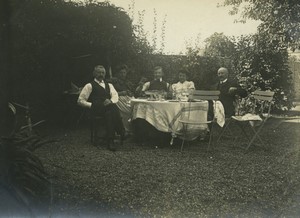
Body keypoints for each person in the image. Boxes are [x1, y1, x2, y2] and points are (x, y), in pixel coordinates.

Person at [77, 65, 125, 151]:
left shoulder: (109, 85)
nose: (101, 74)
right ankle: (121, 131)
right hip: (96, 109)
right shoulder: (89, 85)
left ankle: (110, 140)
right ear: (94, 73)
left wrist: (110, 101)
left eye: (103, 73)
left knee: (110, 111)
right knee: (112, 108)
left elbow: (115, 96)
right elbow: (80, 101)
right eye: (98, 72)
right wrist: (92, 105)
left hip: (107, 108)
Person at [109, 64, 134, 134]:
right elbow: (109, 92)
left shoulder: (127, 82)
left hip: (127, 99)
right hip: (118, 99)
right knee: (128, 110)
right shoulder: (113, 81)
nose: (123, 74)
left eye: (124, 73)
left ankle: (130, 128)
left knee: (134, 107)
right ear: (118, 73)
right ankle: (124, 129)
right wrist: (120, 93)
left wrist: (129, 93)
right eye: (121, 73)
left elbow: (131, 92)